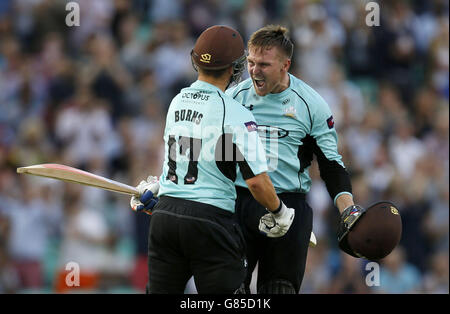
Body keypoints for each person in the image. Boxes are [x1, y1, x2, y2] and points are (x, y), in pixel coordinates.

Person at [129, 25, 295, 294]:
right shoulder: (235, 113)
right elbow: (257, 183)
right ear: (234, 68)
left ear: (195, 60)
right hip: (210, 223)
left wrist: (160, 188)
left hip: (165, 218)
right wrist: (280, 212)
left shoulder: (176, 101)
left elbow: (194, 159)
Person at [225, 25, 361, 294]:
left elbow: (331, 165)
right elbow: (216, 159)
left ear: (286, 65)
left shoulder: (311, 105)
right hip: (238, 203)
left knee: (279, 289)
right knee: (229, 290)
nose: (254, 71)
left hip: (290, 206)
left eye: (264, 64)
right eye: (251, 63)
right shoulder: (233, 98)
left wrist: (348, 209)